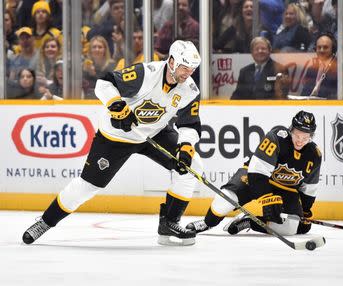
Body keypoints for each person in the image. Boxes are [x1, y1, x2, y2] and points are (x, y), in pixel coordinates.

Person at [22, 40, 203, 246]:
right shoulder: (146, 72)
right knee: (88, 186)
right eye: (184, 67)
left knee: (193, 166)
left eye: (192, 69)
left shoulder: (190, 89)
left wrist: (186, 147)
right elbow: (105, 83)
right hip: (117, 135)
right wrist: (117, 106)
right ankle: (45, 222)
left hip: (155, 132)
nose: (188, 73)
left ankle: (169, 223)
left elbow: (190, 124)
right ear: (171, 61)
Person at [186, 111, 322, 237]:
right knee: (226, 198)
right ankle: (207, 223)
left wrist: (305, 211)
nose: (300, 141)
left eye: (305, 138)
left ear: (311, 136)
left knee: (290, 228)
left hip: (285, 189)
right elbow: (257, 173)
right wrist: (268, 198)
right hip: (254, 177)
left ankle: (249, 221)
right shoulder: (276, 137)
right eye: (297, 135)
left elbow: (309, 188)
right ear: (291, 129)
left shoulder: (314, 154)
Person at [298, 33, 337, 99]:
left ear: (333, 49)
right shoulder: (311, 69)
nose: (321, 50)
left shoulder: (339, 68)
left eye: (325, 47)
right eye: (319, 47)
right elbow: (304, 93)